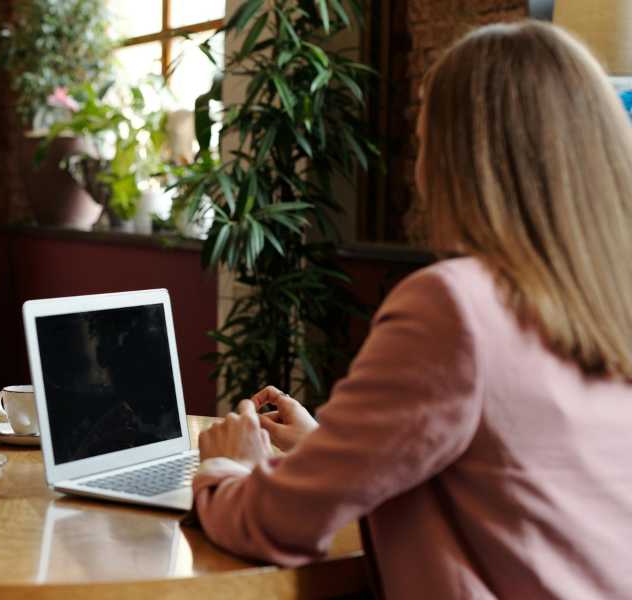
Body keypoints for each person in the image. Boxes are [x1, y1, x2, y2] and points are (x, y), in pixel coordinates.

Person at [193, 21, 632, 600]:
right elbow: (506, 474)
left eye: (423, 144)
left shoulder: (455, 303)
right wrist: (326, 448)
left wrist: (229, 469)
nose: (419, 170)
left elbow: (279, 522)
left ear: (460, 163)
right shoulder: (606, 300)